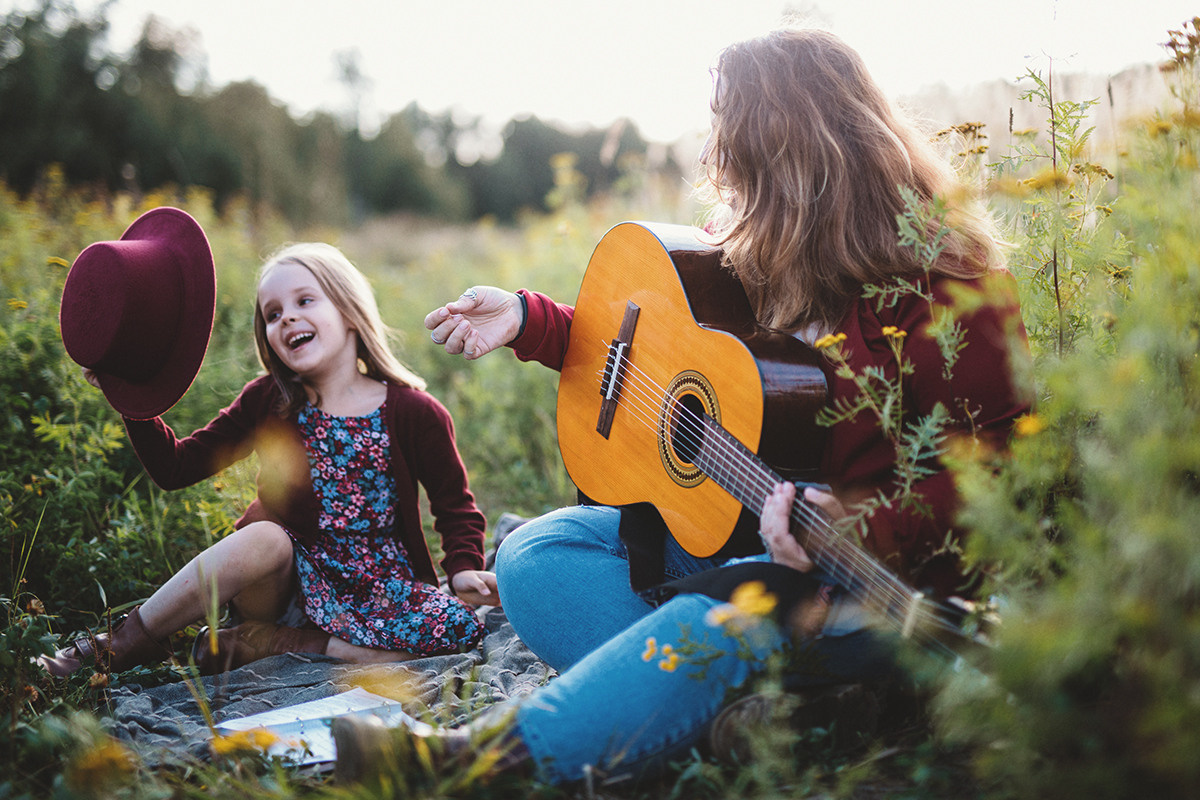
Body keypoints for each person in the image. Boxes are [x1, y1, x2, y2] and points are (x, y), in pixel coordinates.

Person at [346, 26, 1033, 785]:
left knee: (723, 609)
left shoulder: (949, 287)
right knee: (535, 555)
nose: (713, 158)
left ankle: (471, 767)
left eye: (726, 135)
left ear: (786, 155)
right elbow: (657, 358)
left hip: (860, 594)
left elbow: (999, 482)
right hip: (739, 544)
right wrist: (528, 320)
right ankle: (750, 716)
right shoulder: (760, 255)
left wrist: (858, 520)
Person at [43, 219, 497, 677]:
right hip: (285, 585)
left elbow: (455, 507)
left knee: (456, 631)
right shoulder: (269, 401)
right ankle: (117, 645)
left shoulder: (415, 411)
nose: (288, 319)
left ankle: (283, 645)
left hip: (383, 588)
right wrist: (132, 395)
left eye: (304, 301)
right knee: (264, 537)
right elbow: (176, 467)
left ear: (348, 310)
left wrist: (462, 568)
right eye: (273, 314)